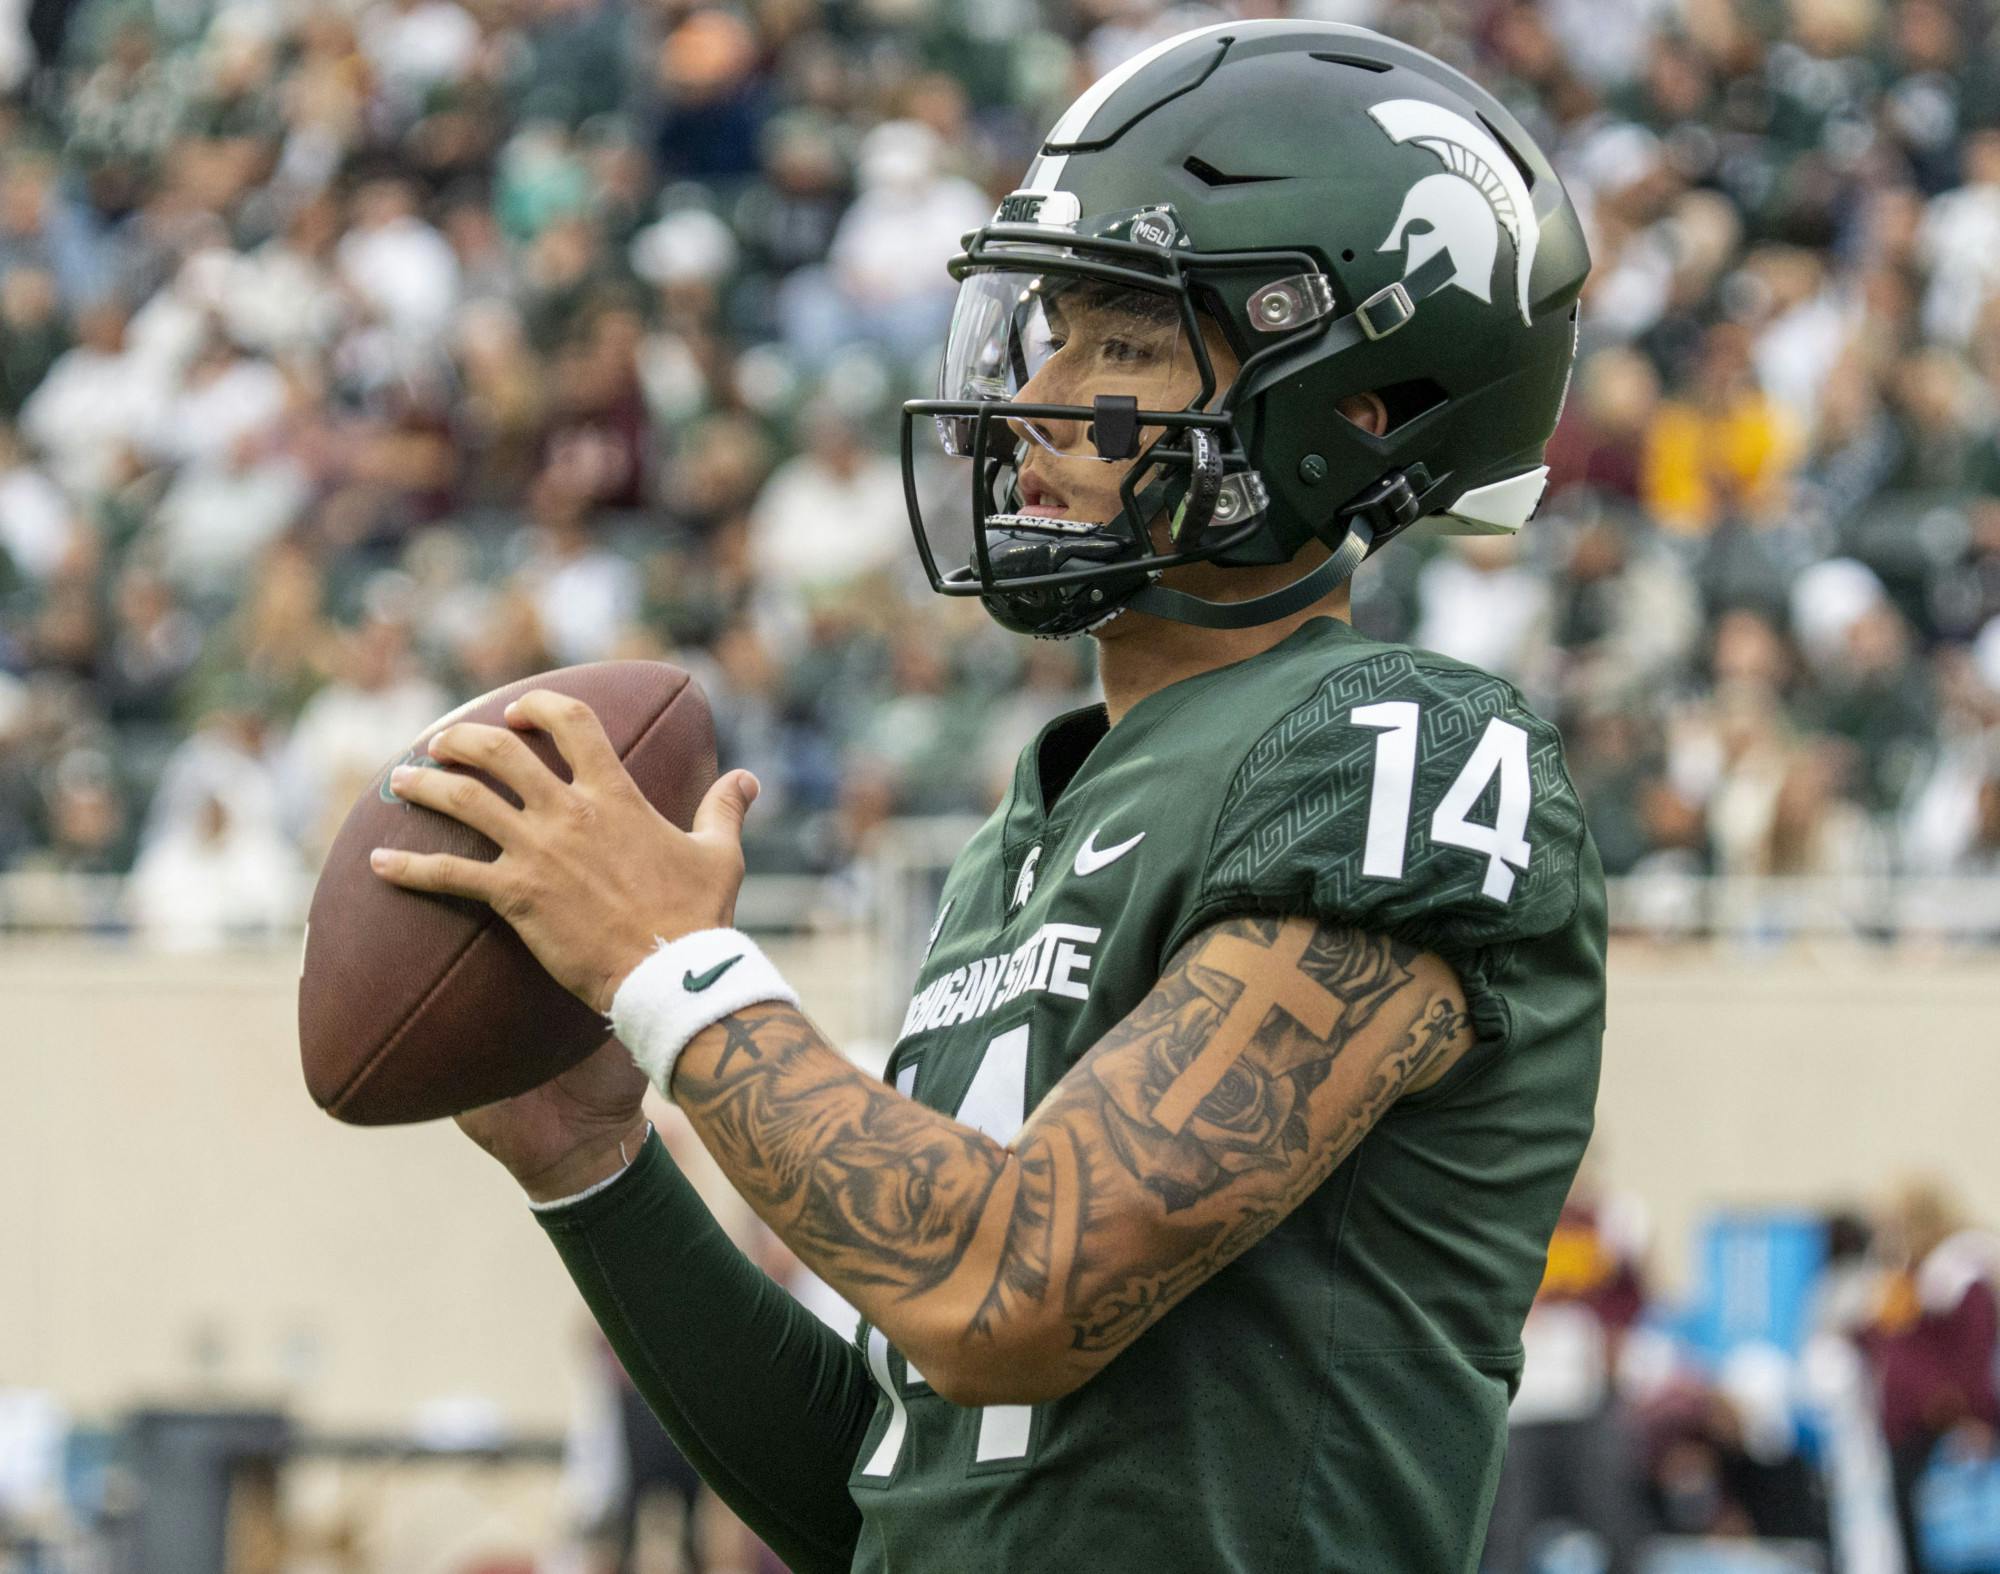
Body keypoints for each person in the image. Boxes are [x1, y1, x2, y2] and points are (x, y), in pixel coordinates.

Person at [372, 22, 1606, 1572]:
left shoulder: (1403, 747)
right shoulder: (1023, 836)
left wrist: (673, 975)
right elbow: (895, 1501)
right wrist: (596, 1164)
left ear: (1355, 402)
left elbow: (1019, 1286)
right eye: (1053, 331)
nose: (1039, 400)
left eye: (1126, 342)